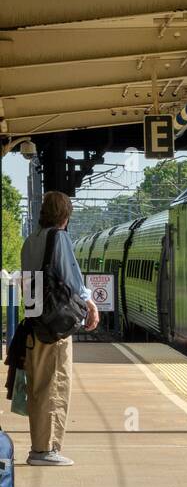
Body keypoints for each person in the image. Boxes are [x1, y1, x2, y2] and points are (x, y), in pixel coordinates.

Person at [19, 191, 99, 466]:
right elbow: (72, 278)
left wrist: (34, 313)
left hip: (35, 321)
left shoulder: (31, 241)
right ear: (65, 216)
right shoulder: (60, 238)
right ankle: (46, 449)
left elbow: (28, 283)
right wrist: (90, 305)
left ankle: (38, 447)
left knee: (40, 386)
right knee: (55, 384)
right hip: (55, 327)